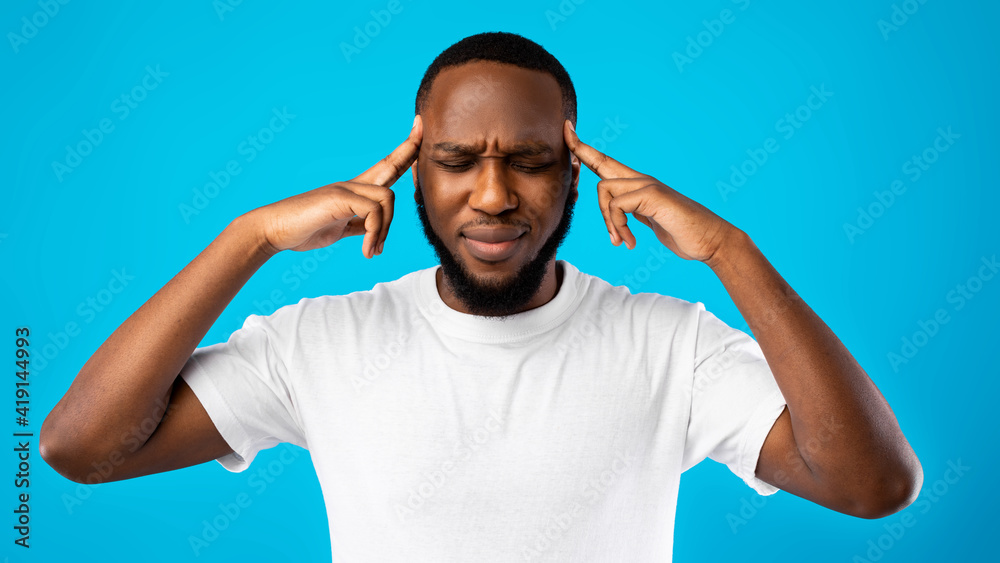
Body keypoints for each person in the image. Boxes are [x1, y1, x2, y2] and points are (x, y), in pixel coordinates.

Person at [41, 31, 922, 561]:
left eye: (531, 161)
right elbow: (81, 448)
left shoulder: (671, 344)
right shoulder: (320, 340)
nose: (494, 195)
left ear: (578, 175)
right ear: (413, 177)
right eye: (458, 162)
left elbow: (874, 485)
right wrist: (251, 238)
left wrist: (732, 251)